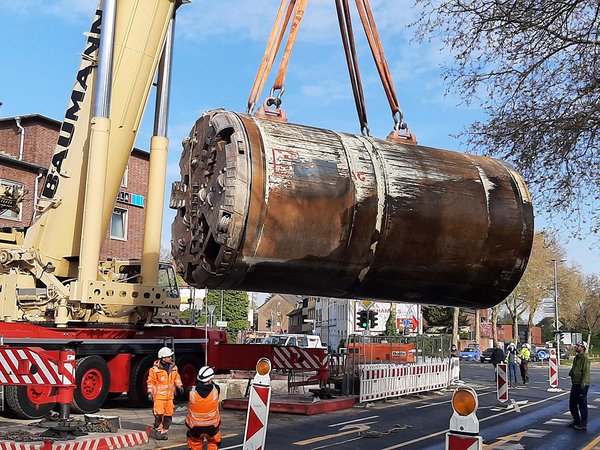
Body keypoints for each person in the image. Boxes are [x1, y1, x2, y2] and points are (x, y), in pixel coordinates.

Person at [147, 347, 183, 440]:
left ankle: (164, 431)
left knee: (168, 416)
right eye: (169, 356)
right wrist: (150, 392)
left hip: (169, 397)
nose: (171, 358)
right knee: (158, 415)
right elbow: (151, 381)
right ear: (163, 358)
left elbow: (176, 378)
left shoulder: (174, 367)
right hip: (159, 397)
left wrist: (180, 386)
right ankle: (158, 431)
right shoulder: (154, 369)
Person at [186, 366, 222, 450]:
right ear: (210, 379)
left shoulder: (190, 391)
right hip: (212, 427)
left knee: (195, 445)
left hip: (195, 427)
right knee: (213, 444)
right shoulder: (216, 389)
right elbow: (213, 386)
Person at [568, 341, 591, 430]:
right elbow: (575, 368)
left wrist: (583, 384)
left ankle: (583, 423)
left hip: (582, 384)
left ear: (583, 347)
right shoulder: (576, 357)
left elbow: (585, 371)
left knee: (582, 404)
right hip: (575, 383)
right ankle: (576, 421)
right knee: (572, 404)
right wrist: (571, 372)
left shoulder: (584, 358)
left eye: (578, 346)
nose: (576, 347)